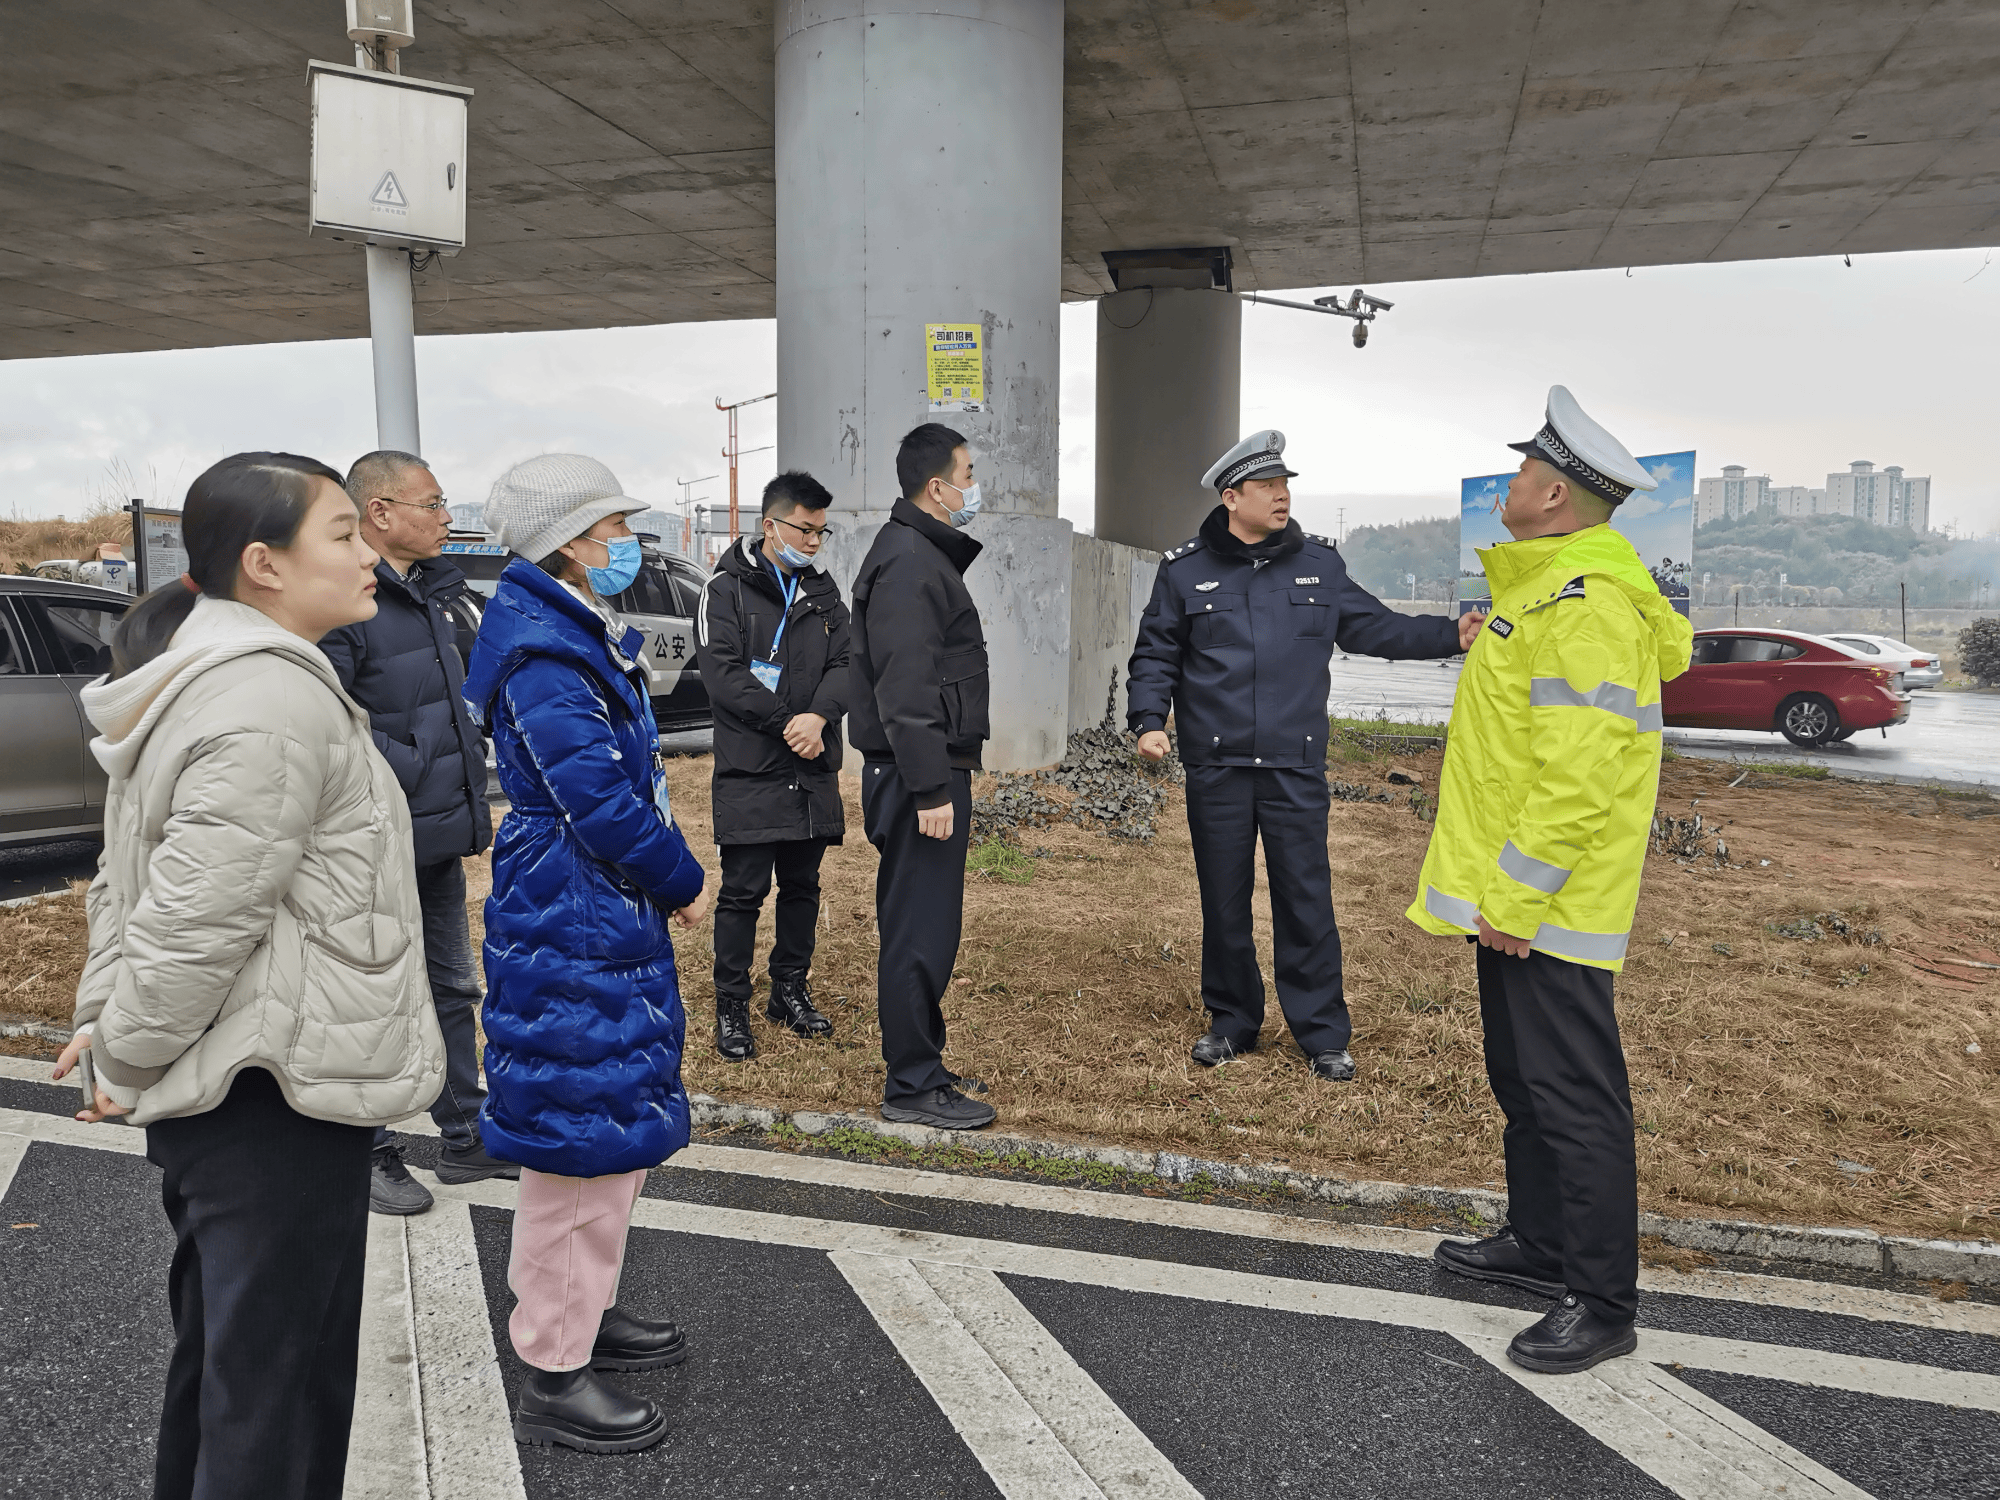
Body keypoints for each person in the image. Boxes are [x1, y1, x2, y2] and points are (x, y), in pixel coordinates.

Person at [55, 452, 445, 1500]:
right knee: (277, 1391)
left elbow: (127, 882)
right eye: (341, 534)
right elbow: (191, 917)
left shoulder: (212, 678)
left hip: (244, 1080)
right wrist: (126, 1053)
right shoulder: (269, 699)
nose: (368, 552)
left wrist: (109, 1028)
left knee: (231, 1371)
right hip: (272, 1088)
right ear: (263, 565)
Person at [1414, 386, 1692, 1375]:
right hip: (1517, 896)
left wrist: (1519, 897)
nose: (1513, 481)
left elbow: (1577, 781)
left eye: (1527, 472)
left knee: (1573, 1095)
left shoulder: (1585, 607)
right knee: (1523, 1081)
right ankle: (1539, 1248)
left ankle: (1602, 1301)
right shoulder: (1542, 590)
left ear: (1558, 500)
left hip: (1551, 904)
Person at [468, 454, 713, 1454]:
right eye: (613, 523)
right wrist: (682, 878)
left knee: (601, 1126)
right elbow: (600, 804)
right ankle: (553, 1369)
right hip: (576, 906)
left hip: (584, 905)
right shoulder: (544, 652)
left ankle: (584, 1310)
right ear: (568, 538)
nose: (627, 540)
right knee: (578, 1143)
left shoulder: (558, 626)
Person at [1127, 430, 1483, 1080]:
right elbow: (1156, 651)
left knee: (1305, 898)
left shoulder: (1319, 566)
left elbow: (1374, 626)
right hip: (1219, 764)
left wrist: (1448, 635)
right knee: (1225, 901)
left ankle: (1321, 1032)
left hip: (1294, 765)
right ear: (1232, 497)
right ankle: (1232, 1021)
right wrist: (1150, 719)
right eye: (1267, 487)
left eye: (1285, 484)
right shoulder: (1185, 571)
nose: (1282, 495)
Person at [319, 449, 513, 1215]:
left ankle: (466, 1136)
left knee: (451, 986)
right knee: (369, 993)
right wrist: (419, 763)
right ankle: (368, 1149)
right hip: (367, 838)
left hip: (430, 832)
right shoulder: (346, 593)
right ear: (380, 512)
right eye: (431, 504)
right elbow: (333, 721)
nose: (445, 518)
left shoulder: (433, 590)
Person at [848, 423, 996, 1130]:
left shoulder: (916, 554)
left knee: (927, 928)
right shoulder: (910, 563)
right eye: (966, 474)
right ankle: (911, 1084)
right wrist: (932, 788)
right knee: (918, 931)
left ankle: (923, 1061)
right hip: (917, 782)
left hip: (920, 774)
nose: (973, 487)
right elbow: (905, 691)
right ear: (937, 488)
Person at [695, 470, 852, 1059]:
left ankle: (789, 989)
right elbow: (723, 674)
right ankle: (731, 1004)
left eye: (821, 532)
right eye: (805, 530)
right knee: (743, 891)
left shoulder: (823, 592)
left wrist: (820, 717)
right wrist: (789, 721)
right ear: (771, 525)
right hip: (753, 765)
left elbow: (848, 663)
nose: (813, 543)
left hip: (811, 765)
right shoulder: (726, 589)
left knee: (803, 885)